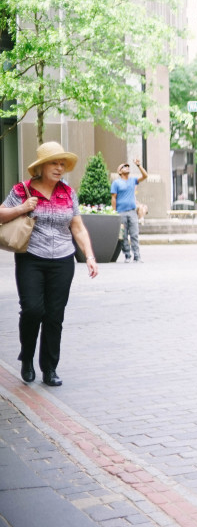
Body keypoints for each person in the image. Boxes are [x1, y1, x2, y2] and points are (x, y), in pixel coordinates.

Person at [0, 142, 99, 387]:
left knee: (54, 316)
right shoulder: (22, 190)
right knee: (33, 310)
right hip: (31, 258)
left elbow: (77, 227)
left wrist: (89, 256)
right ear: (42, 166)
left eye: (62, 164)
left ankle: (50, 368)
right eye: (54, 163)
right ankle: (27, 358)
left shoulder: (68, 193)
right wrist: (23, 207)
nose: (59, 168)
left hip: (63, 260)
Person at [110, 158, 148, 263]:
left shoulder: (133, 181)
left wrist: (139, 166)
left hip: (132, 212)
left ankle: (137, 256)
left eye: (127, 166)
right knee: (123, 235)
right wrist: (114, 212)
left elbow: (145, 176)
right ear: (119, 171)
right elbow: (114, 198)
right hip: (121, 212)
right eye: (124, 167)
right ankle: (127, 255)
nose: (127, 168)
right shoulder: (116, 183)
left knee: (134, 234)